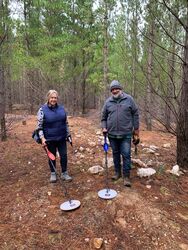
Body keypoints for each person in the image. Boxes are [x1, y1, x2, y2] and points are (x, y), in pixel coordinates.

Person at [101, 80, 139, 187]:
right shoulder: (108, 102)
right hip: (112, 134)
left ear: (120, 89)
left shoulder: (129, 99)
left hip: (126, 134)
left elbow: (135, 113)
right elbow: (103, 117)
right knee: (115, 154)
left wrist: (136, 130)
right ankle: (117, 173)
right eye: (112, 89)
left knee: (126, 155)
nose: (115, 91)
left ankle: (126, 176)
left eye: (116, 88)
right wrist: (104, 127)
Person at [36, 90, 72, 183]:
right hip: (49, 138)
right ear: (48, 98)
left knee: (64, 155)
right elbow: (39, 126)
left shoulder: (62, 109)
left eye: (55, 98)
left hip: (61, 137)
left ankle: (64, 173)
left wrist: (68, 134)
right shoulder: (42, 110)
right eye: (52, 97)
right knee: (52, 157)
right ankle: (53, 173)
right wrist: (42, 138)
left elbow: (66, 123)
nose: (53, 99)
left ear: (57, 99)